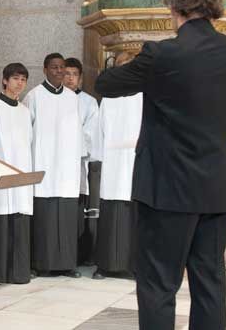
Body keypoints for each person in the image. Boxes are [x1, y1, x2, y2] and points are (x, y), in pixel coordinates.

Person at [95, 0, 226, 330]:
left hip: (166, 190)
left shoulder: (161, 55)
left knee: (158, 285)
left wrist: (131, 66)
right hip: (217, 189)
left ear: (175, 5)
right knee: (210, 284)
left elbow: (106, 84)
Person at [23, 53, 82, 278]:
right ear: (45, 69)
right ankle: (42, 263)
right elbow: (27, 132)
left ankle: (67, 264)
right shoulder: (34, 96)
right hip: (44, 162)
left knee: (66, 216)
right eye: (54, 68)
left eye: (62, 68)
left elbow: (76, 132)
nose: (59, 72)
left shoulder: (72, 97)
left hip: (66, 165)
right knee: (45, 217)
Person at [92, 52, 141, 280]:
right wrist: (99, 158)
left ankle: (133, 266)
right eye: (122, 66)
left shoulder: (144, 96)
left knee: (134, 217)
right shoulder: (109, 98)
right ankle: (105, 265)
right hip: (113, 164)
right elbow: (99, 132)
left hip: (135, 163)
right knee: (110, 215)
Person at [0, 63, 33, 285]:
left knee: (19, 217)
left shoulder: (25, 111)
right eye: (16, 78)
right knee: (3, 216)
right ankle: (1, 272)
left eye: (24, 80)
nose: (20, 84)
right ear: (5, 80)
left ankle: (18, 272)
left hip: (21, 172)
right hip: (0, 172)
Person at [63, 57, 100, 267]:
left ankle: (81, 254)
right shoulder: (49, 99)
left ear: (80, 78)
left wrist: (70, 146)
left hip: (79, 162)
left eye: (74, 74)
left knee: (80, 210)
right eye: (66, 74)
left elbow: (90, 132)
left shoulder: (88, 102)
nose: (69, 78)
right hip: (56, 164)